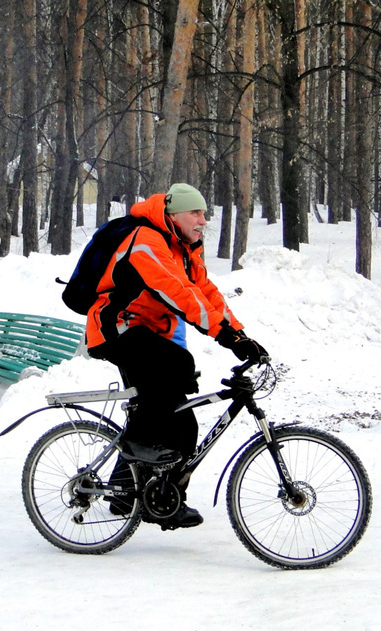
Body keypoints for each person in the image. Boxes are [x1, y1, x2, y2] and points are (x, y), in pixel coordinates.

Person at [85, 183, 268, 529]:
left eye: (204, 213)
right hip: (116, 328)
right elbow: (176, 292)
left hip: (145, 331)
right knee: (176, 373)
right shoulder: (145, 240)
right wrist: (225, 336)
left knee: (176, 414)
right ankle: (149, 478)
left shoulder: (183, 248)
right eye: (195, 213)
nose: (203, 220)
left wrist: (241, 334)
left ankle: (130, 493)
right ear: (174, 215)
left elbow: (205, 292)